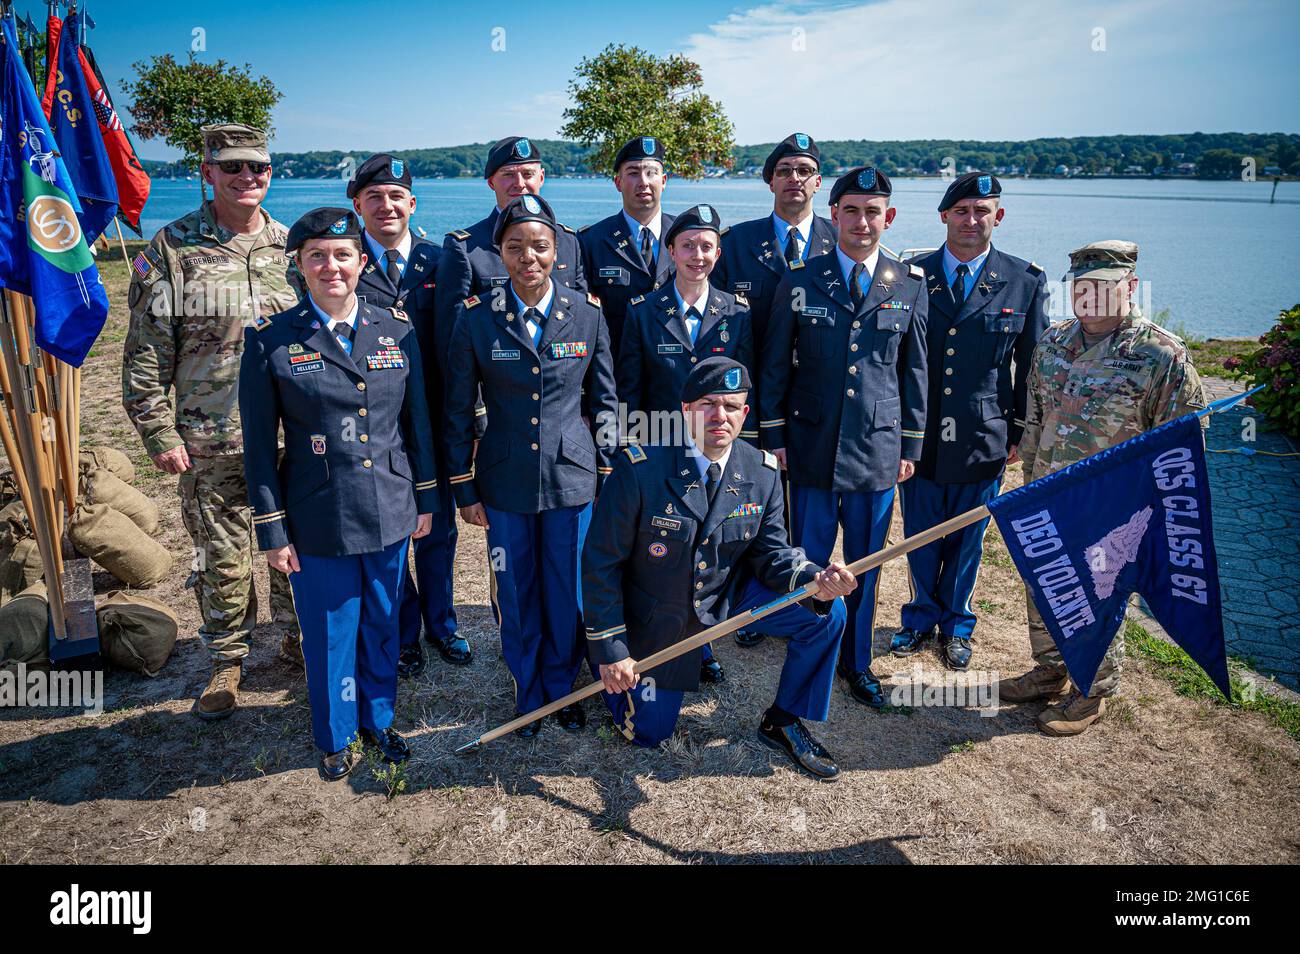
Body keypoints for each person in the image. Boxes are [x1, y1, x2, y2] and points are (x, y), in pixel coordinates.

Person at [583, 357, 856, 781]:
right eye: (709, 404)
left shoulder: (762, 472)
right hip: (659, 613)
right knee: (650, 733)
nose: (720, 416)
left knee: (825, 612)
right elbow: (601, 563)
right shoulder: (641, 469)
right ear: (686, 410)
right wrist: (612, 650)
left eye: (731, 406)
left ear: (745, 414)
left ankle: (783, 720)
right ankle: (602, 659)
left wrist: (812, 580)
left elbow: (772, 554)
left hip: (727, 595)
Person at [239, 208, 439, 780]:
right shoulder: (272, 342)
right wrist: (273, 531)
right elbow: (259, 449)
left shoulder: (395, 329)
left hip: (390, 506)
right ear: (299, 266)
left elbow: (415, 424)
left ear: (361, 261)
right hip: (318, 515)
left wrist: (424, 499)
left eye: (343, 255)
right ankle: (336, 733)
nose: (332, 267)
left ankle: (378, 719)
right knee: (329, 631)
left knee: (383, 621)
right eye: (317, 257)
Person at [122, 123, 301, 722]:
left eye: (258, 168)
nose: (247, 178)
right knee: (221, 556)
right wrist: (157, 432)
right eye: (233, 168)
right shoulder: (173, 248)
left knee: (295, 545)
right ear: (208, 173)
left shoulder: (291, 248)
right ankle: (227, 658)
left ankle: (300, 639)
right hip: (210, 437)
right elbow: (146, 353)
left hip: (291, 435)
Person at [1001, 239, 1206, 736]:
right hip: (1047, 495)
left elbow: (1185, 438)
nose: (1090, 296)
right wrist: (1024, 477)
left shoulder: (1159, 354)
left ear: (1130, 287)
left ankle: (1093, 690)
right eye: (1082, 286)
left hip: (1114, 507)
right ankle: (1050, 669)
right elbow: (1035, 417)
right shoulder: (1053, 343)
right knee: (1045, 583)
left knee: (1100, 591)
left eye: (1104, 286)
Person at [444, 194, 618, 737]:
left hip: (572, 479)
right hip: (505, 478)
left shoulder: (587, 314)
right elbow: (455, 408)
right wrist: (462, 487)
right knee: (516, 592)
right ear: (500, 253)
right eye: (515, 247)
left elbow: (605, 402)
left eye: (540, 246)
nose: (529, 258)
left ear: (557, 250)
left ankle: (562, 690)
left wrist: (608, 472)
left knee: (568, 591)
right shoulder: (476, 319)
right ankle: (528, 692)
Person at [760, 167, 928, 710]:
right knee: (809, 564)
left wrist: (910, 446)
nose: (861, 221)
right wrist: (775, 438)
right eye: (851, 210)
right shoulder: (802, 278)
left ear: (889, 217)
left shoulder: (908, 283)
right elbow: (774, 369)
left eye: (872, 211)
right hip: (809, 447)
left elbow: (914, 373)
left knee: (864, 568)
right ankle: (811, 654)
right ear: (834, 215)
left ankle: (857, 663)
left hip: (876, 452)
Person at [891, 173, 1048, 670]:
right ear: (944, 216)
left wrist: (1021, 430)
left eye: (982, 211)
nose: (971, 220)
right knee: (920, 532)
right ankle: (918, 619)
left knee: (967, 538)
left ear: (997, 217)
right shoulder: (911, 275)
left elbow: (1032, 364)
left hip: (985, 436)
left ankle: (957, 625)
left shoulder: (1024, 280)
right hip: (920, 434)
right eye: (961, 211)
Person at [617, 204, 757, 684]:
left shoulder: (737, 313)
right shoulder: (643, 312)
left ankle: (703, 643)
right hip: (662, 446)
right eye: (687, 245)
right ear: (670, 250)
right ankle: (659, 637)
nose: (697, 255)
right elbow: (629, 389)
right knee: (662, 549)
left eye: (706, 246)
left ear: (718, 253)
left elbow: (743, 389)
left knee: (710, 548)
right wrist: (634, 452)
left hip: (717, 449)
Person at [345, 153, 470, 679]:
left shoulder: (441, 261)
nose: (386, 206)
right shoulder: (345, 262)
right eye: (374, 197)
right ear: (358, 207)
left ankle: (443, 622)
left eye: (397, 196)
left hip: (436, 419)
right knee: (392, 529)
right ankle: (403, 630)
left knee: (438, 528)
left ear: (412, 203)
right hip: (376, 421)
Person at [712, 132, 836, 648]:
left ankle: (804, 598)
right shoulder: (737, 243)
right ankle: (753, 606)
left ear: (818, 182)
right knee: (747, 506)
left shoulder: (842, 240)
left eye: (804, 170)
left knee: (807, 506)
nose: (795, 179)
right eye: (784, 170)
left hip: (815, 404)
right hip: (749, 403)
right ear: (769, 181)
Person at [578, 135, 675, 355]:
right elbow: (585, 316)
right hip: (616, 367)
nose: (643, 181)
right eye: (633, 173)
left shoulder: (687, 237)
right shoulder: (591, 240)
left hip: (675, 374)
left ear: (664, 181)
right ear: (618, 183)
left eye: (652, 172)